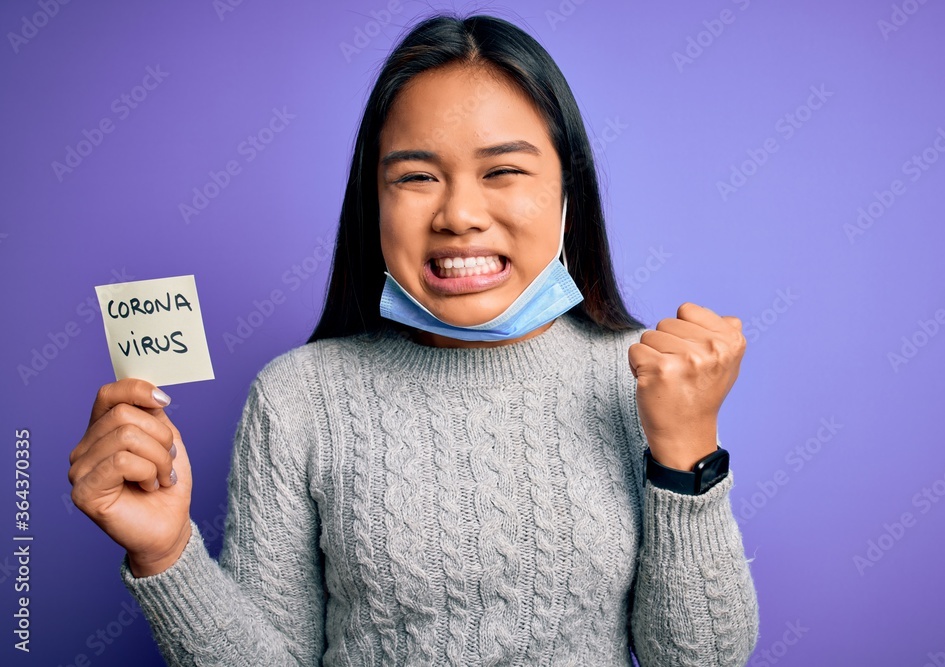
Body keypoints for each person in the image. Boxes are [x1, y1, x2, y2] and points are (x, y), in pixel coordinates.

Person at [68, 12, 759, 666]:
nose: (458, 214)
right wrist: (164, 552)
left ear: (566, 195)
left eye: (503, 171)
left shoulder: (644, 381)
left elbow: (700, 658)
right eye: (417, 177)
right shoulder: (297, 398)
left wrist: (686, 451)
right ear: (374, 202)